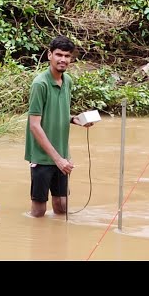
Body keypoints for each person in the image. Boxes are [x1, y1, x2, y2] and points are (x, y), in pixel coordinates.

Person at [24, 35, 94, 218]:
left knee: (62, 206)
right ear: (49, 55)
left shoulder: (67, 81)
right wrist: (58, 160)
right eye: (59, 54)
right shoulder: (40, 84)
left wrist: (75, 119)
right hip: (42, 157)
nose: (63, 59)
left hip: (61, 155)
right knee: (38, 211)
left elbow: (58, 113)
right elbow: (34, 125)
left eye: (67, 56)